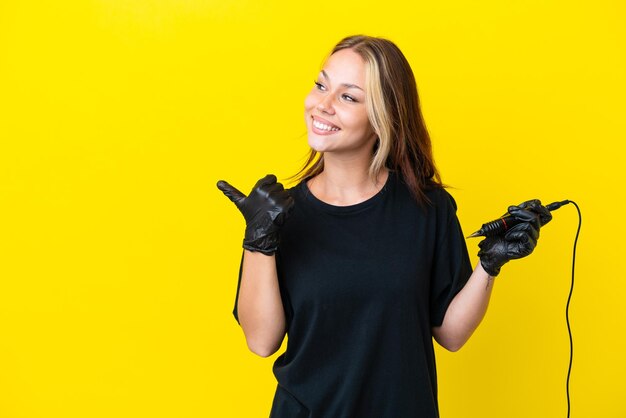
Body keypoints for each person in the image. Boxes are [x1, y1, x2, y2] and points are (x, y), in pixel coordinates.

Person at [217, 35, 552, 418]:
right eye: (321, 85)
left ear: (383, 117)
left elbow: (451, 335)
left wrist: (489, 265)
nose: (322, 105)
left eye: (348, 97)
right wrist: (259, 241)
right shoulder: (279, 215)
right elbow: (261, 341)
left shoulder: (428, 209)